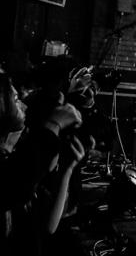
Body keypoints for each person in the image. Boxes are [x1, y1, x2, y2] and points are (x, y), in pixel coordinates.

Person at [0, 71, 87, 256]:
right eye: (15, 98)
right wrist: (53, 125)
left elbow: (48, 225)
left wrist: (67, 170)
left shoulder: (21, 152)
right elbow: (11, 188)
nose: (23, 104)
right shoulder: (21, 159)